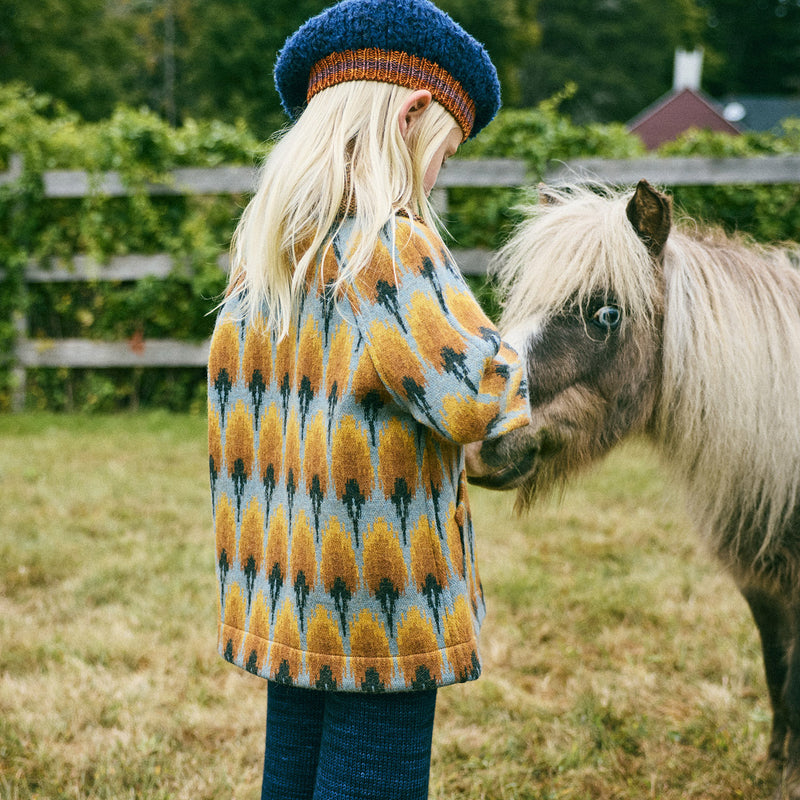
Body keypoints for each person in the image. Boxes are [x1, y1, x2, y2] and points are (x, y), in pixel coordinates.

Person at [206, 1, 530, 797]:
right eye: (443, 156)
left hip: (291, 599)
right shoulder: (391, 248)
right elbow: (475, 399)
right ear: (413, 113)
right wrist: (516, 362)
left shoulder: (263, 268)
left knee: (292, 777)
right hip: (380, 612)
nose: (437, 178)